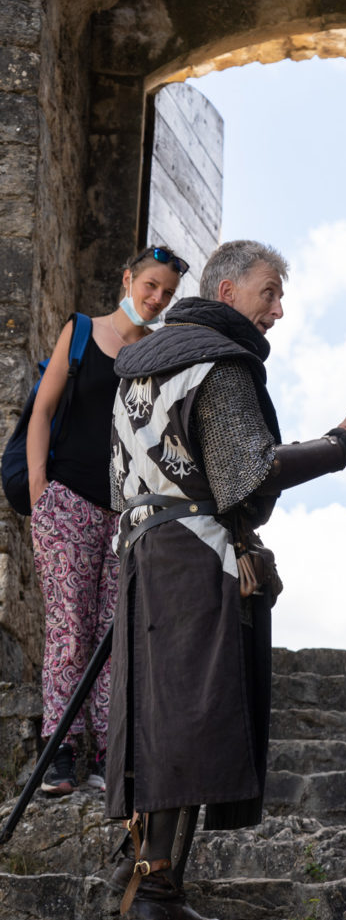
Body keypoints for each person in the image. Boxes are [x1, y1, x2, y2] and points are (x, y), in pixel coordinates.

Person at [105, 239, 346, 920]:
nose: (279, 309)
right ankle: (154, 890)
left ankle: (141, 876)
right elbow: (248, 475)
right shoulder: (218, 362)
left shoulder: (137, 365)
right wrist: (334, 451)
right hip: (195, 551)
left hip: (143, 548)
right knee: (190, 716)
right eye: (268, 292)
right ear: (227, 293)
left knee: (157, 710)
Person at [27, 246, 185, 795]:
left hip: (124, 513)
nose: (157, 299)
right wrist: (40, 489)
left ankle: (100, 756)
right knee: (70, 628)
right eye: (150, 286)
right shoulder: (80, 331)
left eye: (167, 292)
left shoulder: (159, 356)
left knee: (110, 637)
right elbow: (41, 413)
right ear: (128, 279)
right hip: (66, 500)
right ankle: (60, 754)